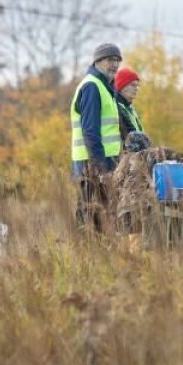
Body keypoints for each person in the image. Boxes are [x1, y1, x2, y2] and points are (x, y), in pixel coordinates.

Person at [70, 42, 123, 231]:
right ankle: (84, 256)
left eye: (117, 61)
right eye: (110, 60)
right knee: (90, 217)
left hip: (101, 162)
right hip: (92, 164)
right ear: (97, 61)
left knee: (99, 217)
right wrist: (101, 169)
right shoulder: (92, 86)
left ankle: (94, 256)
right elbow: (90, 132)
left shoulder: (103, 86)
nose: (115, 65)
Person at [114, 67, 144, 142]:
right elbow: (131, 134)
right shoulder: (117, 107)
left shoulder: (130, 108)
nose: (136, 88)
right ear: (121, 87)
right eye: (133, 85)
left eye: (138, 86)